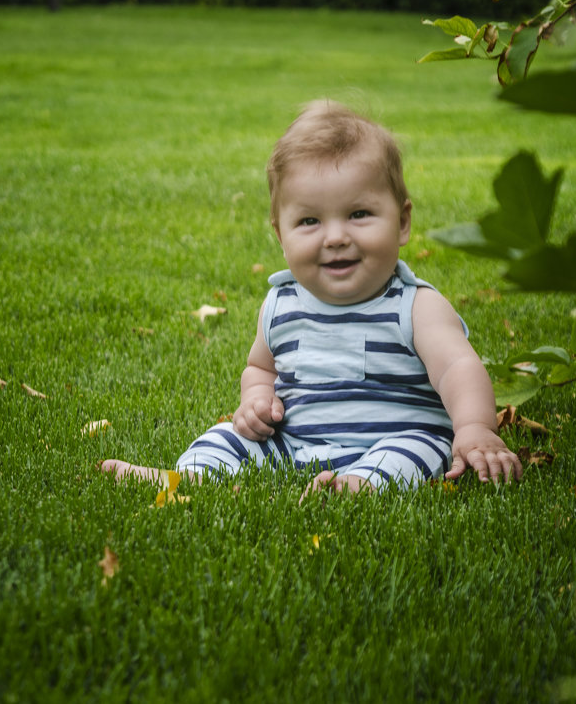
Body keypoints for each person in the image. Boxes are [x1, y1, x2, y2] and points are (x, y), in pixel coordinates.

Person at [102, 101, 522, 496]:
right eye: (309, 221)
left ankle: (362, 484)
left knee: (416, 450)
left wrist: (472, 427)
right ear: (281, 235)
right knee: (226, 435)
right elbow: (259, 368)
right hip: (295, 444)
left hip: (393, 438)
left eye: (359, 214)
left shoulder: (413, 305)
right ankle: (187, 476)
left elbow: (457, 368)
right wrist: (256, 400)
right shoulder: (281, 305)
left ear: (403, 222)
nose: (336, 237)